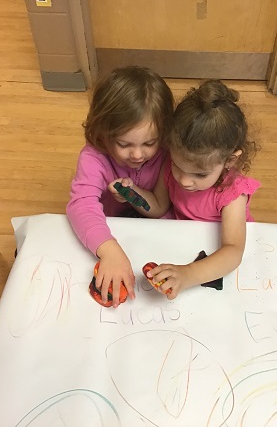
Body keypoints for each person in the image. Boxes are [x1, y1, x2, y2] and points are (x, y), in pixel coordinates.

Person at [109, 79, 260, 299]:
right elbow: (159, 206)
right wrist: (131, 194)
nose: (184, 181)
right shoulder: (171, 166)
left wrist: (187, 274)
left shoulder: (232, 193)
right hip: (177, 239)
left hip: (210, 262)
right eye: (178, 166)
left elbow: (233, 251)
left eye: (200, 174)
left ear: (229, 161)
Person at [67, 66, 174, 307]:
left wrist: (133, 194)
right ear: (103, 133)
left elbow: (158, 207)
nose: (137, 154)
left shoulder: (166, 152)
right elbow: (80, 204)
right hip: (108, 229)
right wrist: (109, 250)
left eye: (149, 143)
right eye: (124, 144)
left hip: (152, 233)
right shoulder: (94, 156)